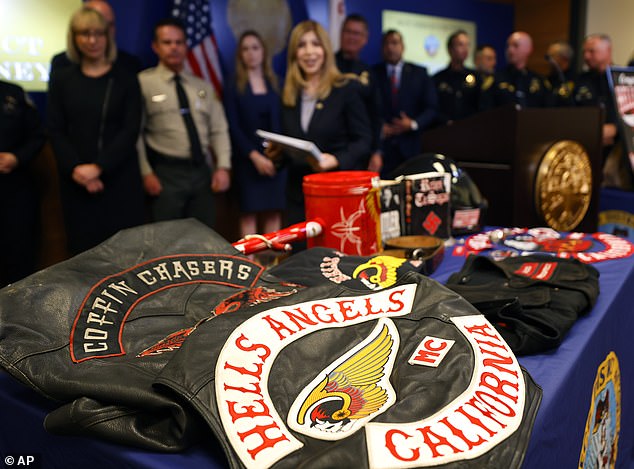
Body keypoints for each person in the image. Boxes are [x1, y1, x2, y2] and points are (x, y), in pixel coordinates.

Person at [47, 6, 145, 255]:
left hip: (119, 179)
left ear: (107, 36)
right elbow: (56, 129)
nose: (92, 41)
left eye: (98, 33)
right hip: (76, 181)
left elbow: (130, 129)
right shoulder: (62, 78)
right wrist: (77, 169)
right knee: (82, 255)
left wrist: (98, 167)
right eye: (84, 34)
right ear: (74, 37)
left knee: (126, 255)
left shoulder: (126, 77)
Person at [272, 20, 371, 229]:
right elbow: (289, 144)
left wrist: (336, 159)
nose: (309, 52)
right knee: (300, 261)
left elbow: (364, 140)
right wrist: (275, 155)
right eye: (302, 45)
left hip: (337, 199)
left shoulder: (346, 88)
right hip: (298, 199)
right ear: (294, 54)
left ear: (325, 50)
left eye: (315, 44)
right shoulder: (287, 95)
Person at [137, 18, 231, 228]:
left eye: (179, 42)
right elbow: (136, 134)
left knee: (205, 236)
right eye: (167, 42)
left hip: (201, 172)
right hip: (165, 174)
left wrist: (223, 166)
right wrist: (146, 172)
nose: (174, 48)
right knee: (167, 241)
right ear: (155, 46)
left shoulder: (202, 86)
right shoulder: (143, 83)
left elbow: (219, 129)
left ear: (186, 45)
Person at [223, 30, 286, 238]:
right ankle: (250, 268)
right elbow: (232, 127)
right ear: (240, 54)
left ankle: (271, 269)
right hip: (247, 162)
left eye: (255, 48)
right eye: (245, 49)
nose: (251, 53)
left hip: (275, 161)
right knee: (248, 215)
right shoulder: (233, 85)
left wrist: (274, 157)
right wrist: (255, 156)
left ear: (263, 52)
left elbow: (282, 124)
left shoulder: (276, 82)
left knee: (273, 214)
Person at [371, 29, 437, 177]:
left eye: (394, 43)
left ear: (402, 46)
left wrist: (413, 124)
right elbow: (367, 109)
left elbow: (432, 108)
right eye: (386, 44)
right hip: (382, 150)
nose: (390, 47)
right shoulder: (373, 73)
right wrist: (380, 126)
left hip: (411, 149)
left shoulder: (420, 73)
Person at [0, 80, 46, 286]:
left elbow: (37, 135)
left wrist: (17, 157)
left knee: (19, 258)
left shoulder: (13, 94)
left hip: (14, 189)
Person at [575, 34, 633, 188]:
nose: (586, 56)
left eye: (591, 51)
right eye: (584, 52)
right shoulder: (580, 80)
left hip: (617, 151)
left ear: (608, 50)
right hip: (585, 146)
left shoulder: (623, 78)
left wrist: (615, 128)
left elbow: (630, 112)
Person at [335, 13, 383, 173]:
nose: (352, 37)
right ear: (341, 34)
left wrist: (377, 151)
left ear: (365, 38)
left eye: (357, 33)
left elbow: (376, 115)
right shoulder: (326, 66)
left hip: (360, 151)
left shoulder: (369, 74)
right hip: (331, 148)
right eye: (348, 32)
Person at [50, 0, 142, 77]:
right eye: (86, 32)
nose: (93, 40)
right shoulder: (61, 65)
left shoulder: (129, 65)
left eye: (109, 25)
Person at [486, 31, 551, 109]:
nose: (510, 50)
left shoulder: (540, 82)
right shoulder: (495, 79)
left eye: (515, 46)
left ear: (529, 49)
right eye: (508, 46)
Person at [432, 30, 481, 125]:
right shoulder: (437, 78)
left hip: (470, 129)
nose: (465, 49)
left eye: (467, 45)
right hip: (444, 129)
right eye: (460, 45)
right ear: (450, 49)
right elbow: (433, 108)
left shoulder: (476, 76)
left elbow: (480, 106)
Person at [546, 40, 575, 105]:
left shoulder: (577, 80)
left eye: (552, 56)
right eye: (548, 57)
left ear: (564, 58)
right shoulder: (546, 80)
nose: (549, 60)